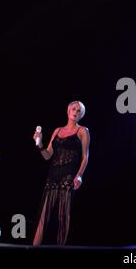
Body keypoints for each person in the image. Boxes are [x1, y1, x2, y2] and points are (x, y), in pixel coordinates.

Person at [32, 100, 90, 245]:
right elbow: (47, 155)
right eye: (74, 109)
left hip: (69, 176)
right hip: (53, 175)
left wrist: (80, 176)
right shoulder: (57, 131)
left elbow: (85, 157)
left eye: (79, 111)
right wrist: (39, 145)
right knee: (43, 217)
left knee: (63, 217)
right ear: (68, 111)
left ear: (81, 115)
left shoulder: (82, 131)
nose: (76, 112)